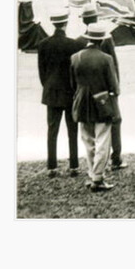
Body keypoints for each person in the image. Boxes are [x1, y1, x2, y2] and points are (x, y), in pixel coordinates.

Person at [70, 23, 120, 192]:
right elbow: (114, 86)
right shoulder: (106, 58)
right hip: (101, 102)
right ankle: (98, 177)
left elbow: (72, 84)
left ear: (88, 38)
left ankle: (93, 174)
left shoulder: (75, 57)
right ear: (101, 40)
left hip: (81, 102)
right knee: (103, 140)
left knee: (88, 140)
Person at [77, 7, 126, 170]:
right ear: (96, 18)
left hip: (86, 91)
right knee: (114, 121)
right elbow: (114, 65)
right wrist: (116, 89)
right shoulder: (106, 38)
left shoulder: (79, 41)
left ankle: (94, 164)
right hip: (106, 90)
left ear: (83, 21)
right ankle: (116, 158)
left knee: (90, 127)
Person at [37, 9, 83, 177]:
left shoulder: (43, 44)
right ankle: (74, 166)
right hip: (70, 92)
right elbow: (76, 71)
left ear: (53, 24)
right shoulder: (74, 44)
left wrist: (49, 86)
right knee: (72, 130)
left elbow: (42, 72)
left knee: (52, 130)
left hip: (51, 92)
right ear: (65, 24)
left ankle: (52, 167)